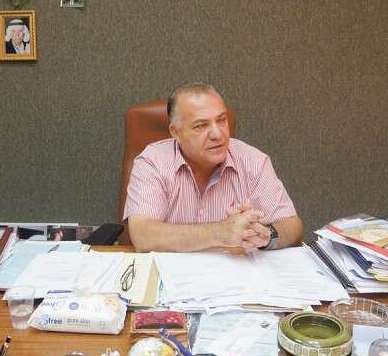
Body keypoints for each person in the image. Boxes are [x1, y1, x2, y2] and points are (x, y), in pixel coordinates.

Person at [124, 83, 304, 252]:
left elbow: (293, 227)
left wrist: (266, 235)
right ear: (175, 132)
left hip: (236, 271)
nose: (218, 134)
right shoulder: (152, 162)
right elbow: (143, 236)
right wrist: (221, 233)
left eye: (221, 120)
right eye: (201, 126)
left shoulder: (253, 160)